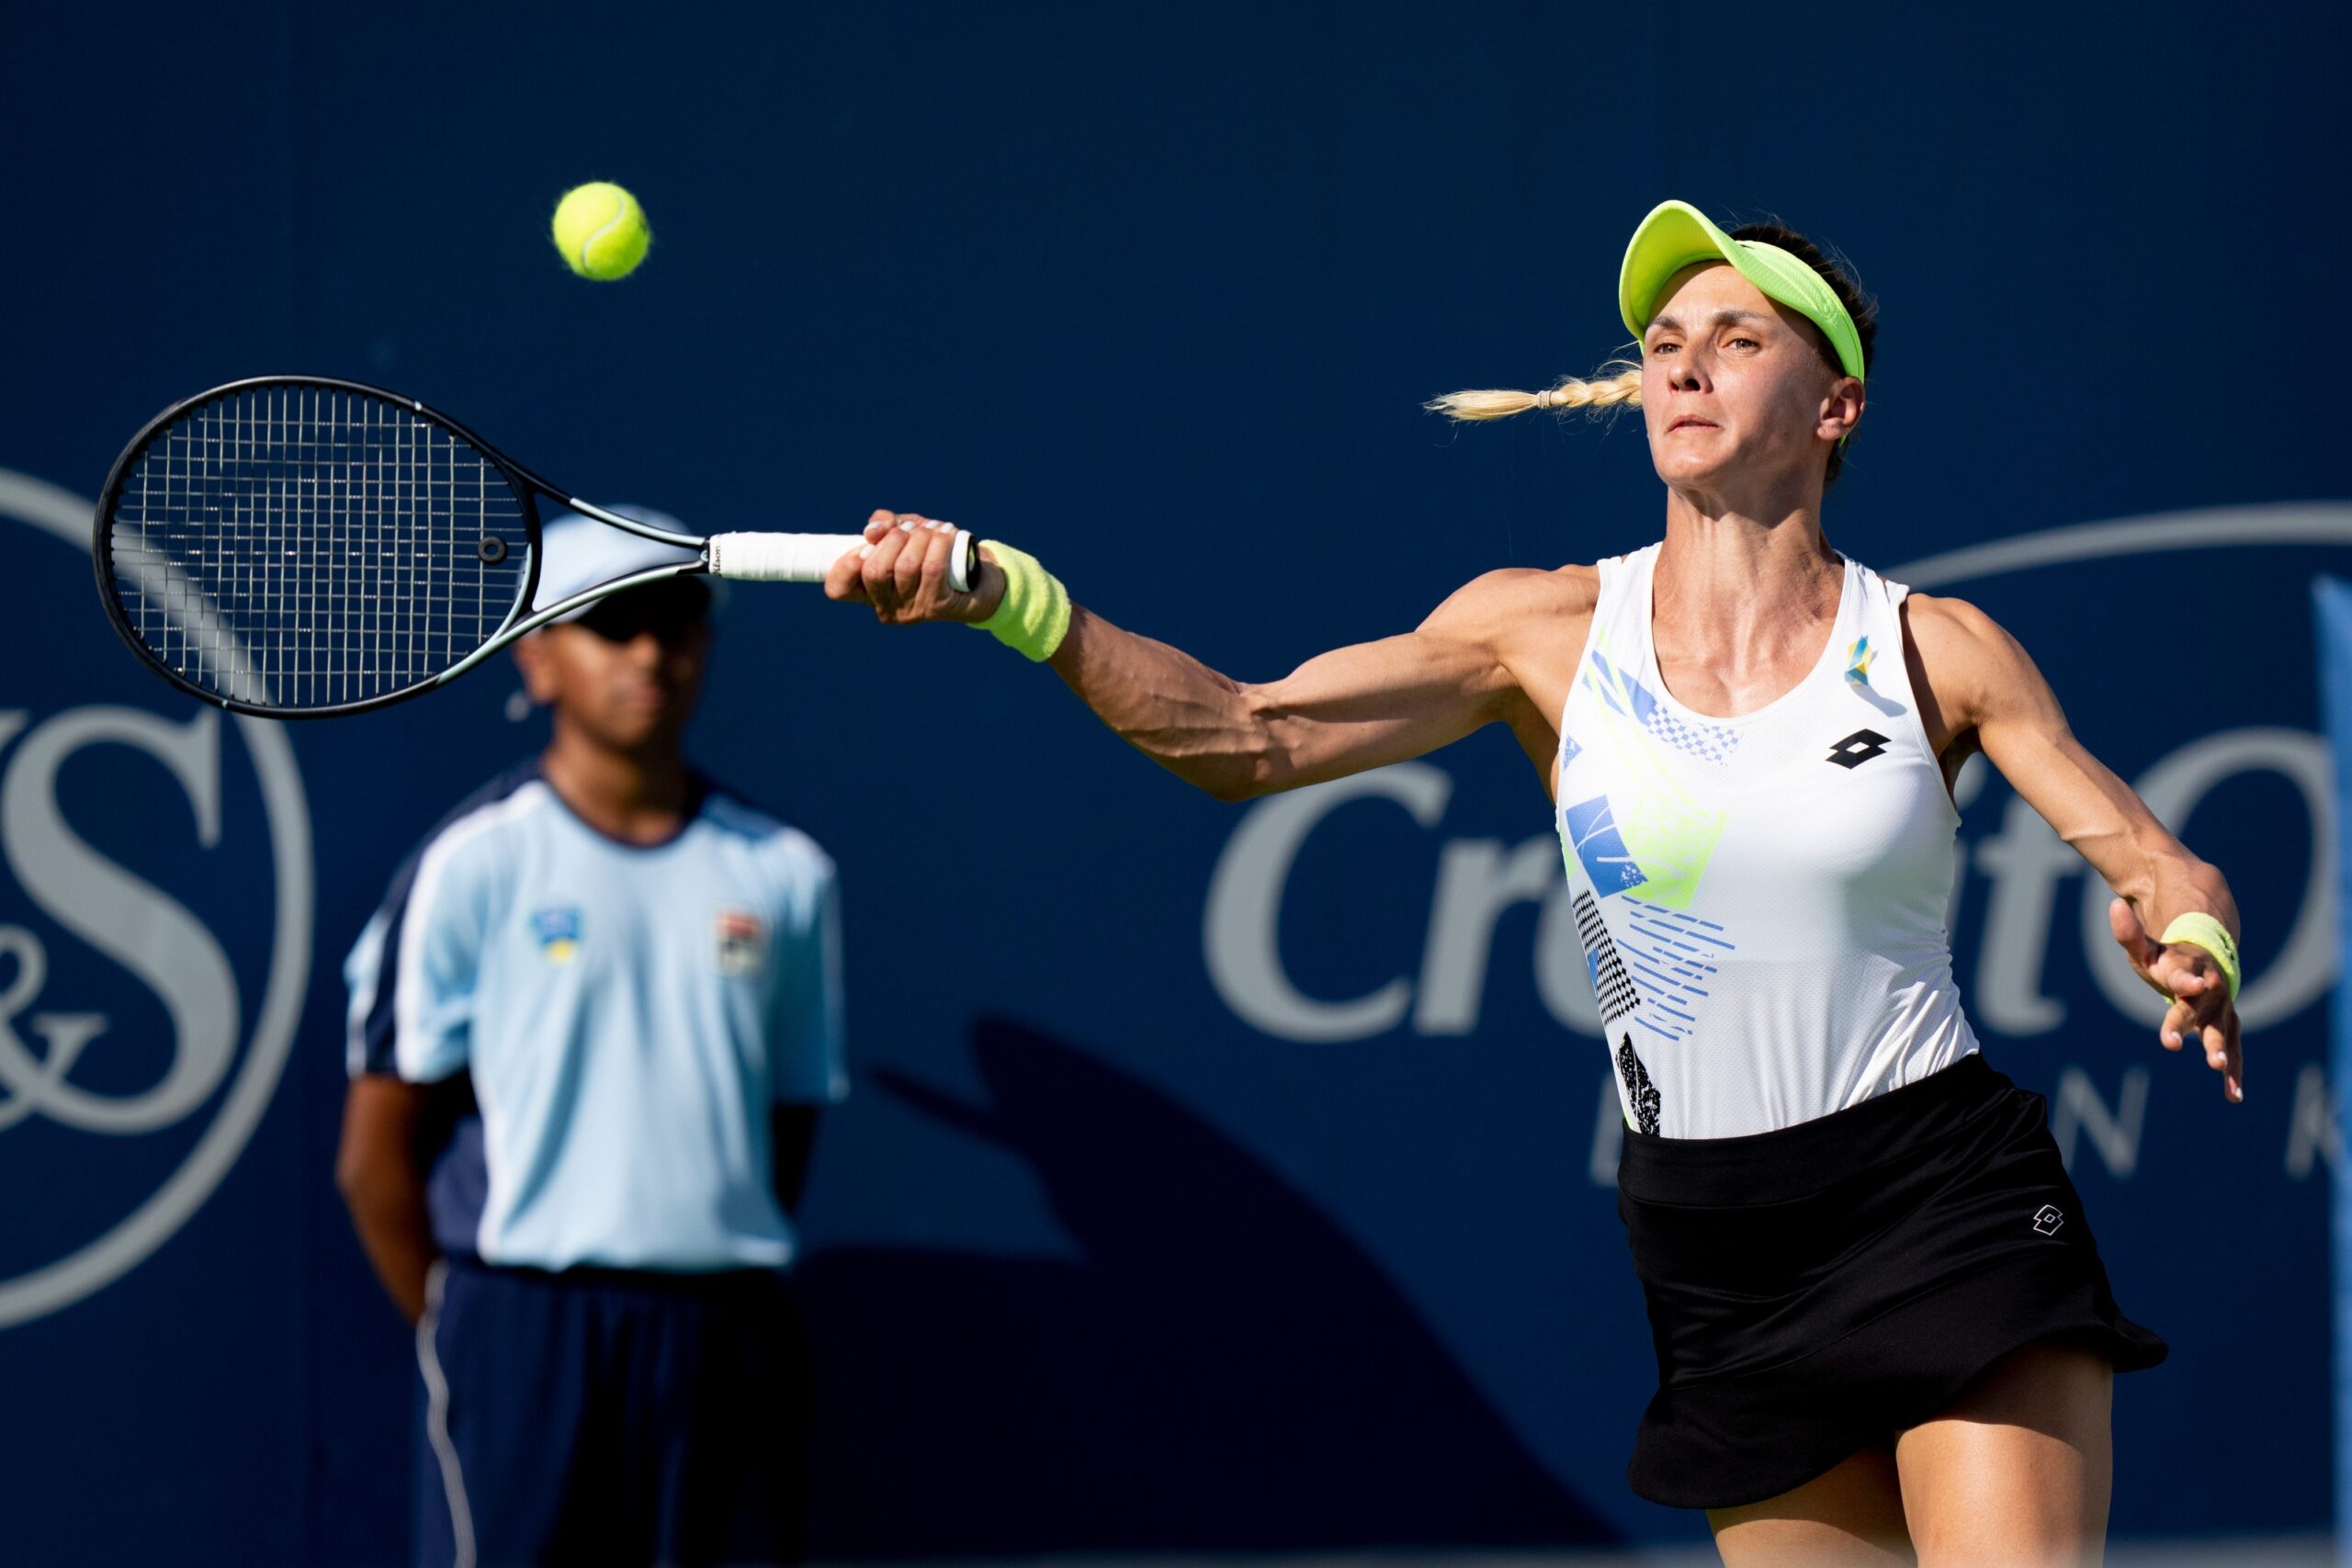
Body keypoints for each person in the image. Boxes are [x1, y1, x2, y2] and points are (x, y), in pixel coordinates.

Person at [824, 201, 2245, 1566]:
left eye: (1741, 336)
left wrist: (2191, 934)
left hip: (1945, 1199)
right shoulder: (1539, 632)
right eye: (1667, 338)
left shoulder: (1941, 646)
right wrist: (1014, 597)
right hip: (1718, 1231)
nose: (1684, 357)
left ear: (1837, 406)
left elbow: (2155, 856)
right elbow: (1243, 734)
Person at [337, 513, 846, 1568]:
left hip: (725, 1338)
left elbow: (787, 1125)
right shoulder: (473, 864)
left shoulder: (788, 873)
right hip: (519, 1336)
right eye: (614, 624)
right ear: (539, 656)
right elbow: (374, 1156)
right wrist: (467, 1333)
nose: (651, 653)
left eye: (677, 622)